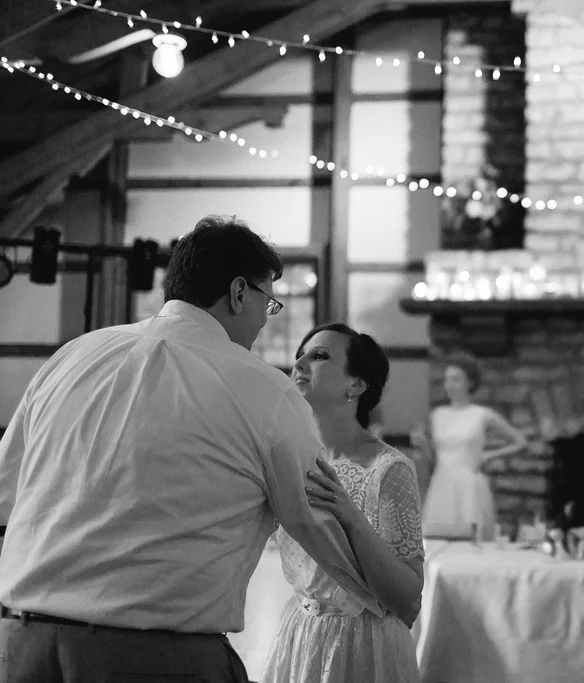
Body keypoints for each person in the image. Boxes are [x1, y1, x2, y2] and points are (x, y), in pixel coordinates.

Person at [0, 215, 373, 681]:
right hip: (154, 659)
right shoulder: (263, 390)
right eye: (268, 303)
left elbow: (5, 495)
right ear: (239, 292)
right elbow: (319, 527)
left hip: (23, 647)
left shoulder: (71, 357)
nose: (263, 320)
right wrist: (392, 589)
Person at [262, 323, 423, 682]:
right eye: (300, 355)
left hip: (366, 646)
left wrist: (352, 518)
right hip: (301, 636)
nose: (299, 363)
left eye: (319, 356)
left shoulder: (388, 469)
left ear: (356, 384)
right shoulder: (288, 459)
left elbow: (407, 597)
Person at [415, 351, 527, 530]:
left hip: (470, 485)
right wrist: (423, 445)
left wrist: (489, 455)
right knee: (438, 534)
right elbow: (434, 460)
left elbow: (520, 441)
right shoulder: (437, 415)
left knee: (470, 534)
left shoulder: (482, 415)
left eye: (456, 379)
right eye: (447, 380)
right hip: (442, 484)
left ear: (470, 382)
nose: (449, 385)